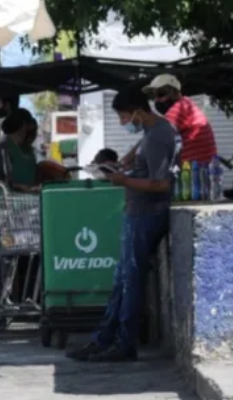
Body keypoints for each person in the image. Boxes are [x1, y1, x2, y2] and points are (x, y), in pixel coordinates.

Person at [67, 89, 179, 363]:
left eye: (124, 117)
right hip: (138, 212)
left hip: (147, 214)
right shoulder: (154, 133)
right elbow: (141, 158)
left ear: (138, 112)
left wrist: (123, 181)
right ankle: (104, 339)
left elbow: (161, 183)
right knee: (122, 281)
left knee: (130, 281)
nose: (122, 123)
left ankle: (124, 343)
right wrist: (120, 166)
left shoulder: (158, 136)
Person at [122, 74, 216, 168]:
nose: (157, 100)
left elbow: (153, 137)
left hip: (195, 174)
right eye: (153, 96)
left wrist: (124, 161)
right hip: (195, 170)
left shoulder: (180, 107)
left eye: (160, 94)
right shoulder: (185, 104)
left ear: (175, 92)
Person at [0, 108, 39, 192]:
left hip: (29, 200)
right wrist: (19, 187)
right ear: (23, 126)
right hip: (8, 202)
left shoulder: (29, 150)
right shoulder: (4, 148)